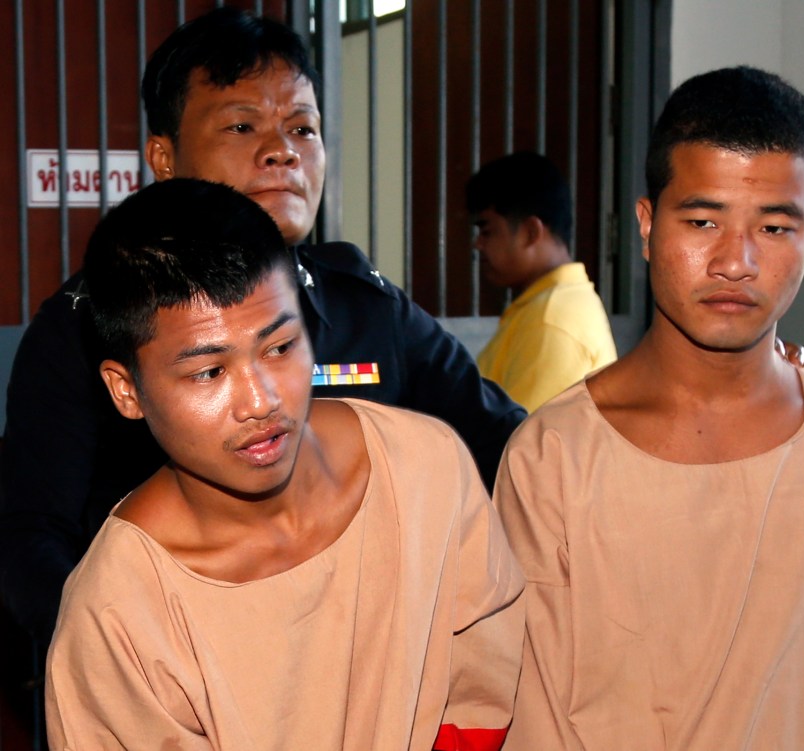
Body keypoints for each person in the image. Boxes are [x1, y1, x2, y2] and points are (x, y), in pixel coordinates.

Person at [0, 7, 524, 661]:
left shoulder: (370, 308)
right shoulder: (84, 328)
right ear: (164, 155)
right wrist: (120, 664)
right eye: (242, 125)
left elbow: (513, 451)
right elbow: (30, 537)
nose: (282, 150)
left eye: (302, 127)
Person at [494, 66, 804, 750]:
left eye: (774, 226)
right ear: (648, 225)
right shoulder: (551, 459)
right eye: (704, 219)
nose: (736, 261)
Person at [44, 178, 525, 750]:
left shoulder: (423, 466)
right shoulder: (117, 616)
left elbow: (487, 678)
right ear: (126, 390)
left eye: (280, 348)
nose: (262, 400)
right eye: (209, 372)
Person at [466, 152, 618, 413]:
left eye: (487, 231)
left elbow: (521, 444)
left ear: (531, 232)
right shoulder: (549, 306)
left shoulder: (552, 319)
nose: (477, 244)